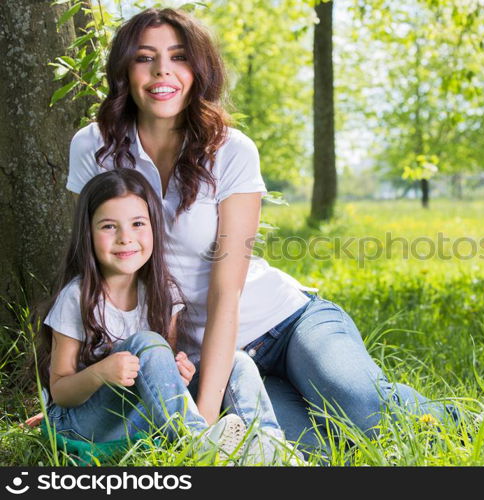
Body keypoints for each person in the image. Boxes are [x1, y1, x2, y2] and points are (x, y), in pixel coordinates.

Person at [66, 8, 458, 455]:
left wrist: (204, 418)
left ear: (198, 70)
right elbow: (95, 271)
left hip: (285, 324)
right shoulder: (93, 146)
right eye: (145, 58)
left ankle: (476, 423)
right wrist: (78, 396)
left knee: (366, 412)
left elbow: (225, 292)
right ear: (123, 70)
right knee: (322, 450)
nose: (162, 72)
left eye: (178, 57)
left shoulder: (229, 150)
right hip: (210, 360)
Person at [36, 168, 287, 463]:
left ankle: (270, 449)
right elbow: (61, 391)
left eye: (137, 224)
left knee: (235, 361)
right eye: (108, 227)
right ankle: (197, 443)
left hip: (142, 416)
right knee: (145, 341)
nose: (125, 238)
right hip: (82, 423)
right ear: (87, 234)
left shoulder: (162, 292)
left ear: (154, 228)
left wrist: (178, 372)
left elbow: (161, 372)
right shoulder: (77, 297)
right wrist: (101, 373)